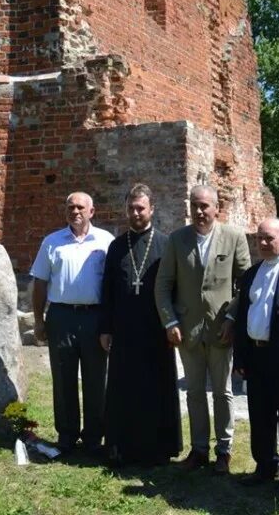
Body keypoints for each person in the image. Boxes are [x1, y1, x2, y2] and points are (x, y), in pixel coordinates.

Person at [154, 184, 251, 474]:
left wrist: (232, 319)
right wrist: (169, 321)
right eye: (195, 205)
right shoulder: (177, 240)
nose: (199, 211)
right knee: (195, 393)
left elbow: (245, 283)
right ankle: (198, 450)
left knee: (222, 392)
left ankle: (224, 451)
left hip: (222, 328)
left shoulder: (233, 237)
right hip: (188, 330)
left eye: (205, 206)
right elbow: (162, 286)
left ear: (216, 208)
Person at [100, 184, 182, 465]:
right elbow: (107, 290)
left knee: (155, 387)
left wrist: (173, 324)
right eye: (131, 208)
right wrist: (105, 328)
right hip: (123, 330)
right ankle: (120, 445)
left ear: (152, 210)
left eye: (141, 208)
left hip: (155, 330)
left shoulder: (166, 245)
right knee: (123, 387)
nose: (135, 213)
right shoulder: (116, 246)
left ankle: (158, 448)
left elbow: (175, 289)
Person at [31, 192, 115, 454]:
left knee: (95, 378)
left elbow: (112, 286)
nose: (75, 211)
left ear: (92, 211)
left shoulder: (105, 241)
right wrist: (39, 320)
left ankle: (93, 437)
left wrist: (109, 324)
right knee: (63, 377)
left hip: (94, 316)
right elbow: (40, 283)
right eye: (70, 207)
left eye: (80, 207)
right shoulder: (52, 242)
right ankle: (66, 435)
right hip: (62, 317)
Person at [233, 218, 279, 495]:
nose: (263, 244)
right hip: (256, 354)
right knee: (260, 414)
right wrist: (240, 358)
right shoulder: (251, 273)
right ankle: (265, 466)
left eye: (269, 239)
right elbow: (243, 316)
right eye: (259, 239)